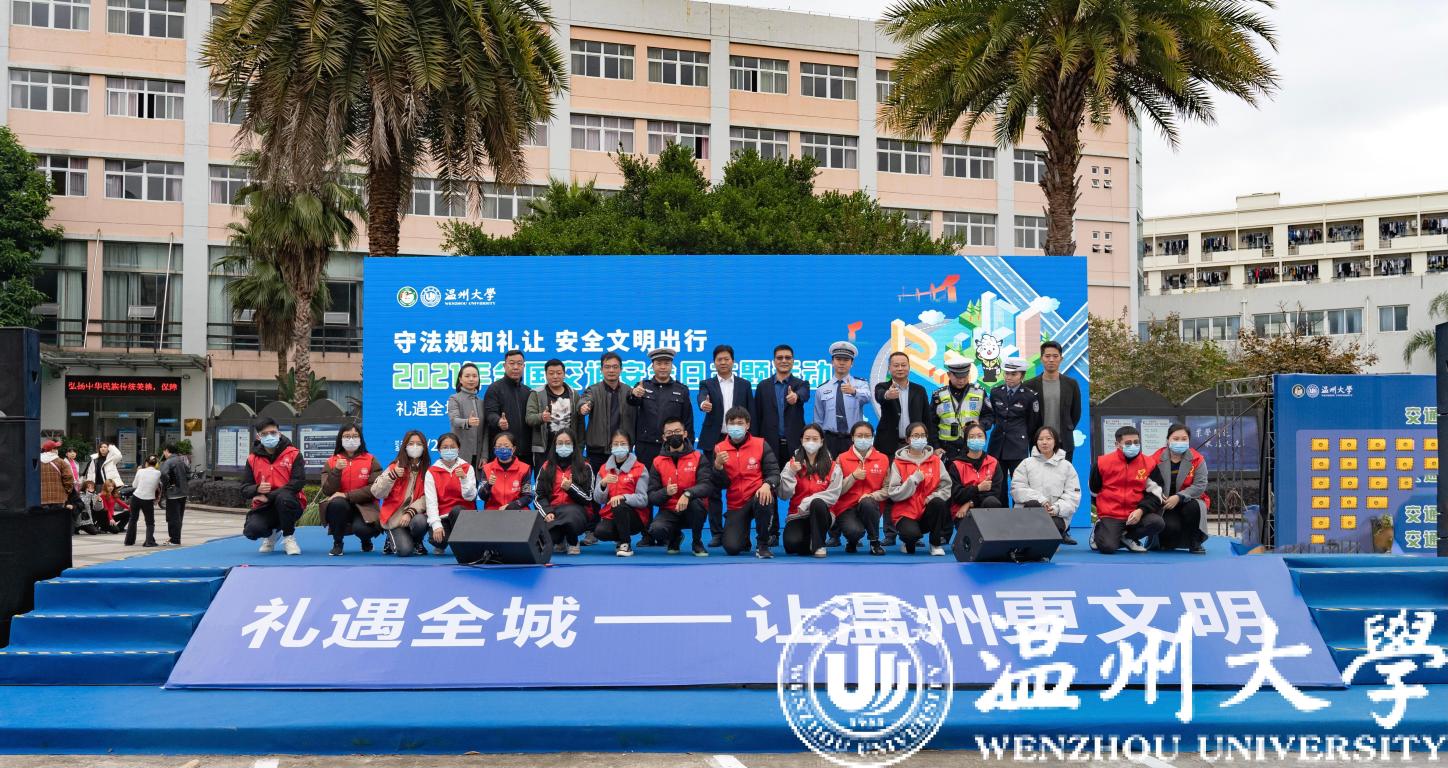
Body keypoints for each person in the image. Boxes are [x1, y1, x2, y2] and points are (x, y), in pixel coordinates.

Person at [628, 347, 693, 546]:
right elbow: (631, 402)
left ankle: (670, 531)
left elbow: (687, 421)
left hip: (672, 447)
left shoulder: (681, 389)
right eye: (659, 363)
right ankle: (647, 533)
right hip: (646, 446)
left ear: (672, 365)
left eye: (666, 363)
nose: (663, 367)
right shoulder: (642, 387)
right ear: (653, 366)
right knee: (646, 488)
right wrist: (634, 394)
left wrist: (687, 447)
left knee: (671, 487)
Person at [752, 344, 809, 544]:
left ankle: (799, 524)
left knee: (800, 484)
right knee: (770, 486)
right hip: (769, 446)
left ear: (793, 361)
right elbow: (757, 416)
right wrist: (757, 444)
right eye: (780, 357)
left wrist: (796, 397)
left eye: (788, 357)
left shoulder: (801, 384)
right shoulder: (763, 386)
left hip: (794, 446)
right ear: (774, 361)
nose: (784, 361)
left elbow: (804, 394)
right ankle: (772, 530)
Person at [697, 344, 752, 547]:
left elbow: (751, 412)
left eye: (726, 359)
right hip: (714, 440)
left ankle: (741, 531)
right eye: (719, 359)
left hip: (739, 441)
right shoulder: (707, 383)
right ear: (714, 362)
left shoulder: (744, 385)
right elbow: (701, 397)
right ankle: (717, 533)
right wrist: (703, 404)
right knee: (713, 488)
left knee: (740, 485)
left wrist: (750, 438)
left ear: (733, 361)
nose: (723, 362)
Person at [873, 351, 930, 545]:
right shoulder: (882, 387)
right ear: (889, 368)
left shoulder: (919, 390)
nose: (900, 368)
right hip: (889, 446)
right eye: (895, 365)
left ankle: (913, 532)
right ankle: (889, 533)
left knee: (915, 487)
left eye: (903, 365)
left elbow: (927, 419)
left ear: (909, 367)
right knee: (891, 487)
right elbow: (880, 396)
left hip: (914, 447)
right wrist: (888, 395)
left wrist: (932, 445)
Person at [710, 406, 780, 558]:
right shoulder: (719, 449)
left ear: (747, 425)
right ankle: (744, 537)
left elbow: (774, 473)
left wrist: (767, 484)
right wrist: (718, 466)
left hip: (757, 496)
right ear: (727, 425)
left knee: (765, 497)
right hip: (736, 504)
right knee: (732, 548)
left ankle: (762, 544)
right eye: (732, 423)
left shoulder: (760, 444)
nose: (736, 426)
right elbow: (719, 484)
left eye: (740, 423)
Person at [1088, 426, 1165, 554]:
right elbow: (1094, 490)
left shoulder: (1149, 463)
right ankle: (1100, 529)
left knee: (1157, 523)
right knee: (1107, 547)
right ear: (1117, 444)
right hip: (1111, 515)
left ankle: (1128, 538)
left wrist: (1141, 510)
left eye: (1136, 442)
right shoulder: (1102, 463)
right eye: (1128, 443)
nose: (1133, 445)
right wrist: (1104, 510)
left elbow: (1156, 493)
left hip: (1135, 514)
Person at [241, 417, 307, 555]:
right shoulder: (252, 459)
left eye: (273, 432)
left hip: (290, 503)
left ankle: (289, 537)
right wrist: (257, 489)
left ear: (279, 433)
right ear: (258, 437)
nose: (269, 436)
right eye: (264, 434)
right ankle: (272, 533)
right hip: (265, 506)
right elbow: (244, 489)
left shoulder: (294, 454)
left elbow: (298, 482)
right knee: (252, 531)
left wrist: (269, 496)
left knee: (283, 498)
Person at [646, 417, 712, 556]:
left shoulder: (698, 457)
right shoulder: (657, 462)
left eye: (677, 431)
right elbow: (651, 495)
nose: (674, 435)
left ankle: (697, 542)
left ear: (685, 433)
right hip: (669, 510)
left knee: (696, 505)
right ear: (664, 437)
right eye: (669, 433)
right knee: (656, 530)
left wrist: (688, 494)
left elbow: (706, 485)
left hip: (692, 507)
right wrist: (666, 492)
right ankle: (675, 536)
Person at [884, 422, 952, 555]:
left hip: (927, 511)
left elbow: (946, 487)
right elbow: (893, 493)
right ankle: (907, 541)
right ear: (908, 439)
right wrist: (913, 481)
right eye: (915, 435)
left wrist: (930, 498)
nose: (919, 438)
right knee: (911, 539)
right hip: (905, 513)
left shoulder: (935, 461)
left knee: (938, 503)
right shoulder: (898, 463)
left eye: (922, 435)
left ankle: (935, 544)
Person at [319, 421, 382, 557]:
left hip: (365, 506)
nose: (351, 439)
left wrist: (347, 495)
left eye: (355, 436)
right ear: (340, 439)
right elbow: (327, 491)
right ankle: (338, 543)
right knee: (336, 504)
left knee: (363, 530)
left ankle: (366, 540)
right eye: (347, 436)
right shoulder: (332, 462)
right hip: (341, 506)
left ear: (360, 439)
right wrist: (336, 471)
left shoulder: (371, 460)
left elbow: (375, 488)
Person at [1009, 426, 1081, 544]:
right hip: (1030, 513)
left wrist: (1055, 509)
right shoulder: (1026, 464)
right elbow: (1017, 489)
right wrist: (1042, 501)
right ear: (1036, 442)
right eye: (1040, 439)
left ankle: (1044, 542)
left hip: (1056, 516)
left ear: (1055, 441)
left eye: (1048, 438)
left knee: (1053, 526)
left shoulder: (1067, 466)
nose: (1044, 442)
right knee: (1033, 504)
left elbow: (1073, 495)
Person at [779, 424, 842, 557]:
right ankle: (811, 539)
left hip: (822, 514)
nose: (811, 442)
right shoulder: (792, 464)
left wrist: (807, 501)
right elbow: (784, 495)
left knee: (817, 503)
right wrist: (791, 473)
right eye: (807, 438)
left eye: (815, 438)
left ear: (822, 441)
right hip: (798, 515)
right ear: (801, 440)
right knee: (792, 545)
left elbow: (834, 495)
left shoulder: (833, 466)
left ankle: (819, 545)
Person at [981, 358, 1041, 492]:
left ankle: (1018, 507)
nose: (1009, 377)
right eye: (1007, 373)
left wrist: (1021, 436)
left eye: (1014, 374)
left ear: (1022, 376)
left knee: (1018, 487)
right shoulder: (996, 392)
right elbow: (992, 416)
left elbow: (1032, 424)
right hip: (997, 446)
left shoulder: (1030, 396)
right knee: (997, 486)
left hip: (1017, 447)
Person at [1149, 424, 1210, 554]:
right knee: (1171, 528)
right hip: (1165, 503)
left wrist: (1179, 497)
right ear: (1168, 440)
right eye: (1175, 439)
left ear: (1189, 440)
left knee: (1195, 507)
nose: (1180, 442)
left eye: (1184, 439)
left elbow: (1200, 485)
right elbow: (1149, 483)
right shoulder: (1155, 458)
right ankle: (1164, 541)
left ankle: (1195, 542)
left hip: (1189, 500)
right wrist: (1159, 495)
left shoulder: (1198, 459)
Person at [370, 430, 431, 557]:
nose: (415, 447)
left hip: (413, 515)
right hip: (395, 518)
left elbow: (427, 497)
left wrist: (410, 512)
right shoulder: (395, 467)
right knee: (404, 551)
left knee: (421, 521)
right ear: (405, 447)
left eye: (419, 444)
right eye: (411, 444)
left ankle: (417, 540)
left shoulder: (427, 471)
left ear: (424, 447)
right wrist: (392, 476)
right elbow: (376, 492)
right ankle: (391, 537)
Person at [831, 421, 888, 555]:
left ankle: (874, 542)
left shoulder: (883, 459)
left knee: (868, 502)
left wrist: (872, 495)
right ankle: (852, 541)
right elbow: (835, 490)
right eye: (859, 435)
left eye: (867, 436)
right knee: (854, 532)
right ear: (852, 437)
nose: (863, 439)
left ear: (872, 437)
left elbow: (887, 489)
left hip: (870, 506)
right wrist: (852, 477)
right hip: (846, 507)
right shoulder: (841, 459)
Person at [535, 429, 593, 555]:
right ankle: (560, 539)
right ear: (554, 445)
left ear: (574, 445)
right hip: (554, 512)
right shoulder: (546, 467)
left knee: (570, 516)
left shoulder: (585, 467)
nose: (563, 446)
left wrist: (571, 488)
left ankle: (572, 541)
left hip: (576, 513)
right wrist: (547, 512)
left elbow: (588, 498)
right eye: (560, 443)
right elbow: (539, 496)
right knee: (548, 537)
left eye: (567, 443)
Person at [593, 431, 650, 557]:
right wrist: (603, 484)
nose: (619, 447)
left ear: (630, 446)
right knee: (600, 532)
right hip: (611, 515)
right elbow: (599, 500)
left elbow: (643, 499)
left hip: (635, 517)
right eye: (616, 444)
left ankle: (625, 544)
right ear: (611, 446)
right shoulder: (604, 469)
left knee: (619, 504)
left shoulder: (640, 468)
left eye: (623, 444)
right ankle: (620, 537)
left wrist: (623, 497)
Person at [1023, 341, 1082, 460]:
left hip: (1064, 443)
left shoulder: (1071, 384)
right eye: (1047, 356)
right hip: (1039, 443)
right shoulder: (1029, 385)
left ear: (1061, 359)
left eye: (1055, 356)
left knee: (1064, 472)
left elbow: (1075, 413)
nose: (1051, 360)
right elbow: (1026, 415)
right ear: (1041, 359)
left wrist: (1066, 428)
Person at [423, 432, 479, 556]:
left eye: (452, 447)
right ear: (439, 450)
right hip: (443, 516)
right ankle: (444, 541)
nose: (449, 450)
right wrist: (436, 525)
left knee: (457, 510)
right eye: (445, 447)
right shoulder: (432, 472)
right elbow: (431, 502)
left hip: (462, 514)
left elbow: (471, 497)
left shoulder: (467, 468)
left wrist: (464, 479)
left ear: (458, 449)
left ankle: (463, 543)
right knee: (438, 541)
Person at [814, 341, 873, 458]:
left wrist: (854, 392)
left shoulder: (860, 384)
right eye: (838, 359)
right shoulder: (822, 388)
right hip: (829, 439)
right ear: (832, 362)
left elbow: (868, 397)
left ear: (852, 363)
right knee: (829, 468)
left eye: (846, 360)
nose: (842, 363)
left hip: (853, 438)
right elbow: (818, 418)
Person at [525, 358, 585, 464]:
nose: (555, 376)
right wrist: (541, 417)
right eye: (551, 373)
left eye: (559, 373)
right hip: (544, 449)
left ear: (564, 374)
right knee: (544, 474)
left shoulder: (573, 394)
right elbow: (529, 418)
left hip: (568, 448)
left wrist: (580, 447)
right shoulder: (536, 394)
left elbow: (580, 423)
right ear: (546, 375)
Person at [930, 353, 986, 461]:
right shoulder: (938, 395)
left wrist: (980, 425)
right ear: (949, 374)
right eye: (957, 377)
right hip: (946, 449)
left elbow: (989, 416)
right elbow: (931, 423)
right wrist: (936, 447)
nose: (961, 380)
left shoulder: (979, 392)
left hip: (972, 448)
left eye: (964, 376)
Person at [947, 421, 1005, 522]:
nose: (976, 439)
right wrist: (978, 488)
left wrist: (970, 503)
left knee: (992, 501)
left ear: (985, 439)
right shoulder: (956, 465)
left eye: (979, 436)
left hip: (984, 509)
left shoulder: (993, 463)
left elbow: (995, 493)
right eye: (972, 437)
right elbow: (956, 495)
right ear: (966, 441)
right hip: (962, 511)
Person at [484, 349, 532, 459]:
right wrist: (498, 421)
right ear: (504, 366)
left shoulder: (528, 391)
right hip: (502, 451)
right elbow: (490, 413)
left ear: (524, 366)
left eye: (519, 364)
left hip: (526, 452)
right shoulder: (494, 388)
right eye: (511, 363)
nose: (515, 367)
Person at [479, 432, 534, 510]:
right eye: (498, 446)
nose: (502, 449)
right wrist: (488, 485)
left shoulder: (524, 468)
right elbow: (482, 496)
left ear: (513, 449)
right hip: (494, 511)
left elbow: (528, 496)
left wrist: (512, 505)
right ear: (495, 449)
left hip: (517, 510)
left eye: (506, 446)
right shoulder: (487, 468)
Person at [447, 362, 487, 467]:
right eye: (467, 376)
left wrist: (484, 456)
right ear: (460, 379)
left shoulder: (482, 402)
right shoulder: (454, 398)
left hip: (478, 456)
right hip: (461, 452)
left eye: (474, 376)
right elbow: (454, 420)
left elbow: (485, 432)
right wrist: (467, 422)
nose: (471, 379)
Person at [127, 456, 162, 547]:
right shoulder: (158, 473)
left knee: (133, 519)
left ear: (146, 463)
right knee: (150, 522)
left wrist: (138, 471)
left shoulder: (140, 471)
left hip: (136, 497)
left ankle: (129, 541)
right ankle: (149, 542)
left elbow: (134, 485)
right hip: (148, 499)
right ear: (156, 464)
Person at [159, 444, 189, 546]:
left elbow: (163, 474)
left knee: (173, 517)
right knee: (179, 517)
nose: (163, 454)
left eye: (164, 451)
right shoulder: (181, 460)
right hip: (183, 492)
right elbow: (188, 473)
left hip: (173, 493)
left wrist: (168, 485)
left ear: (167, 451)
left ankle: (175, 540)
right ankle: (175, 537)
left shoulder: (169, 461)